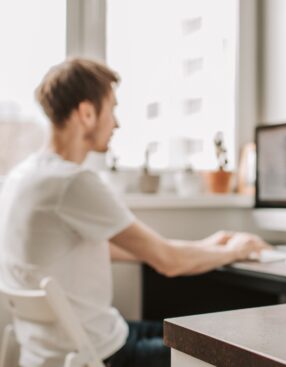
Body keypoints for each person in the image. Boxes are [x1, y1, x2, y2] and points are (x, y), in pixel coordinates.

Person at [0, 58, 270, 367]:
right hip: (99, 355)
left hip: (48, 351)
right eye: (112, 109)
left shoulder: (23, 177)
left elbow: (118, 250)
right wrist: (233, 250)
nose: (116, 123)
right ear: (87, 113)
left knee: (186, 330)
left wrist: (210, 245)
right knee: (227, 351)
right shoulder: (72, 182)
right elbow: (168, 262)